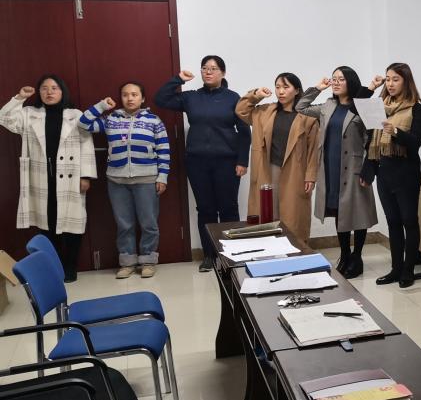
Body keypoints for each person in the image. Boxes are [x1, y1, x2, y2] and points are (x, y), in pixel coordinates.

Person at [155, 55, 251, 272]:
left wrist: (242, 160)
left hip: (227, 162)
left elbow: (244, 131)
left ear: (223, 73)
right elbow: (160, 99)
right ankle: (209, 255)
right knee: (205, 209)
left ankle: (231, 254)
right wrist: (178, 79)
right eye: (205, 68)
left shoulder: (233, 98)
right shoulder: (191, 97)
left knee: (228, 209)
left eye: (213, 68)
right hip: (197, 162)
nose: (208, 72)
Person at [1, 76, 96, 282]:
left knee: (72, 223)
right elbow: (4, 118)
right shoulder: (29, 114)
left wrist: (86, 175)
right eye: (44, 88)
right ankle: (55, 267)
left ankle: (70, 267)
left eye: (54, 88)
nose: (49, 92)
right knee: (47, 224)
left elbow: (87, 145)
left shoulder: (75, 115)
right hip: (41, 177)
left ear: (62, 91)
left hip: (70, 177)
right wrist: (19, 98)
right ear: (39, 92)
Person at [79, 82, 170, 279]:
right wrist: (102, 105)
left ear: (142, 98)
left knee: (148, 223)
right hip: (117, 180)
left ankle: (148, 261)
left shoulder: (154, 121)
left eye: (134, 94)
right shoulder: (111, 119)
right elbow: (83, 123)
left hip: (146, 179)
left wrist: (162, 176)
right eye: (125, 94)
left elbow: (164, 149)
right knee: (124, 224)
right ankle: (127, 263)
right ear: (120, 98)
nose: (130, 98)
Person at [296, 66, 378, 278]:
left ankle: (357, 257)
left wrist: (370, 168)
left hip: (354, 168)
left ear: (351, 81)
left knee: (357, 212)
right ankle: (345, 254)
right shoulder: (328, 105)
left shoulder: (363, 106)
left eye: (341, 79)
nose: (336, 82)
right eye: (334, 79)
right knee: (339, 211)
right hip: (330, 167)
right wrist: (318, 88)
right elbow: (300, 107)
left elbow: (373, 138)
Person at [360, 63, 421, 288]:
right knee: (393, 222)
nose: (390, 84)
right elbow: (370, 140)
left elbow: (416, 143)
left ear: (406, 82)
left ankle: (408, 270)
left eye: (395, 79)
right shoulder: (379, 107)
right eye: (388, 79)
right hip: (384, 172)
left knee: (409, 221)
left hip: (406, 173)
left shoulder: (418, 109)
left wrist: (396, 132)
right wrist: (368, 171)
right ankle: (395, 269)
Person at [235, 73, 321, 245]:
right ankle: (268, 249)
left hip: (295, 172)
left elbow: (314, 150)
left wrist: (311, 176)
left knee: (293, 215)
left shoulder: (308, 117)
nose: (280, 91)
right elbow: (241, 111)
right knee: (267, 212)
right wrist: (256, 95)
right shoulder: (264, 111)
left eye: (286, 87)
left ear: (297, 90)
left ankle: (295, 249)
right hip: (268, 169)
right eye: (278, 87)